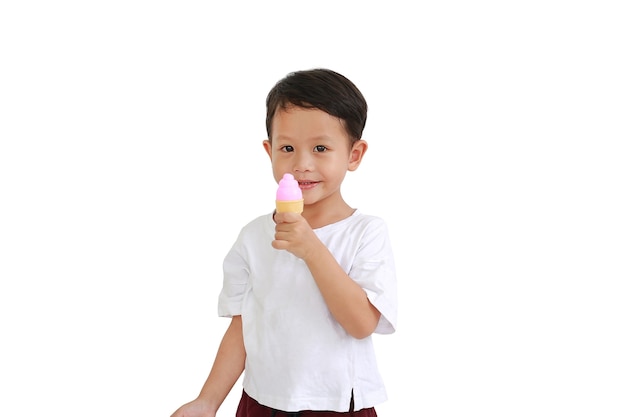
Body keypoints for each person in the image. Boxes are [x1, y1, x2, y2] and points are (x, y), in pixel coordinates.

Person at [170, 68, 398, 417]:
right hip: (261, 402)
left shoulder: (365, 232)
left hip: (336, 405)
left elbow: (361, 323)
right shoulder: (253, 236)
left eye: (321, 148)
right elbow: (242, 327)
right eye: (287, 148)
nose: (301, 164)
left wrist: (311, 249)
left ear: (354, 155)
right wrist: (207, 400)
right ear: (269, 150)